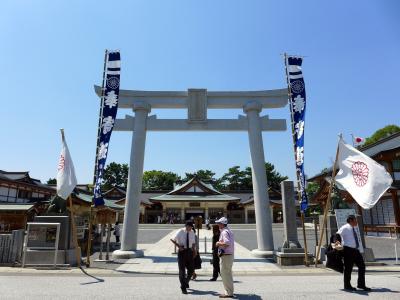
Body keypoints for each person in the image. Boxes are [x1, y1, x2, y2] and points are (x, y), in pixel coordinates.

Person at [337, 215, 371, 292]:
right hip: (348, 250)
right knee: (348, 269)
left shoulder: (352, 228)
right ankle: (347, 285)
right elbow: (337, 235)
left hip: (355, 250)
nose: (357, 221)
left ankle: (361, 284)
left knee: (362, 266)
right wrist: (337, 245)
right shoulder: (345, 227)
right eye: (355, 220)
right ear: (351, 220)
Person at [171, 220, 197, 294]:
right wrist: (179, 246)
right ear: (186, 226)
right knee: (182, 271)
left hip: (190, 252)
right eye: (188, 226)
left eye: (191, 227)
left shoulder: (192, 232)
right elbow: (172, 239)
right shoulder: (180, 231)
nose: (190, 228)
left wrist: (195, 251)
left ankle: (185, 282)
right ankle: (183, 287)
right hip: (182, 251)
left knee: (191, 270)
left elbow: (193, 243)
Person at [215, 217, 234, 298]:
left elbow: (227, 243)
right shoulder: (229, 231)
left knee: (225, 274)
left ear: (222, 224)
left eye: (219, 223)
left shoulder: (224, 232)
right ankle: (229, 291)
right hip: (229, 255)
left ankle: (229, 292)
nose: (218, 224)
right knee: (227, 273)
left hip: (226, 255)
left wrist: (218, 243)